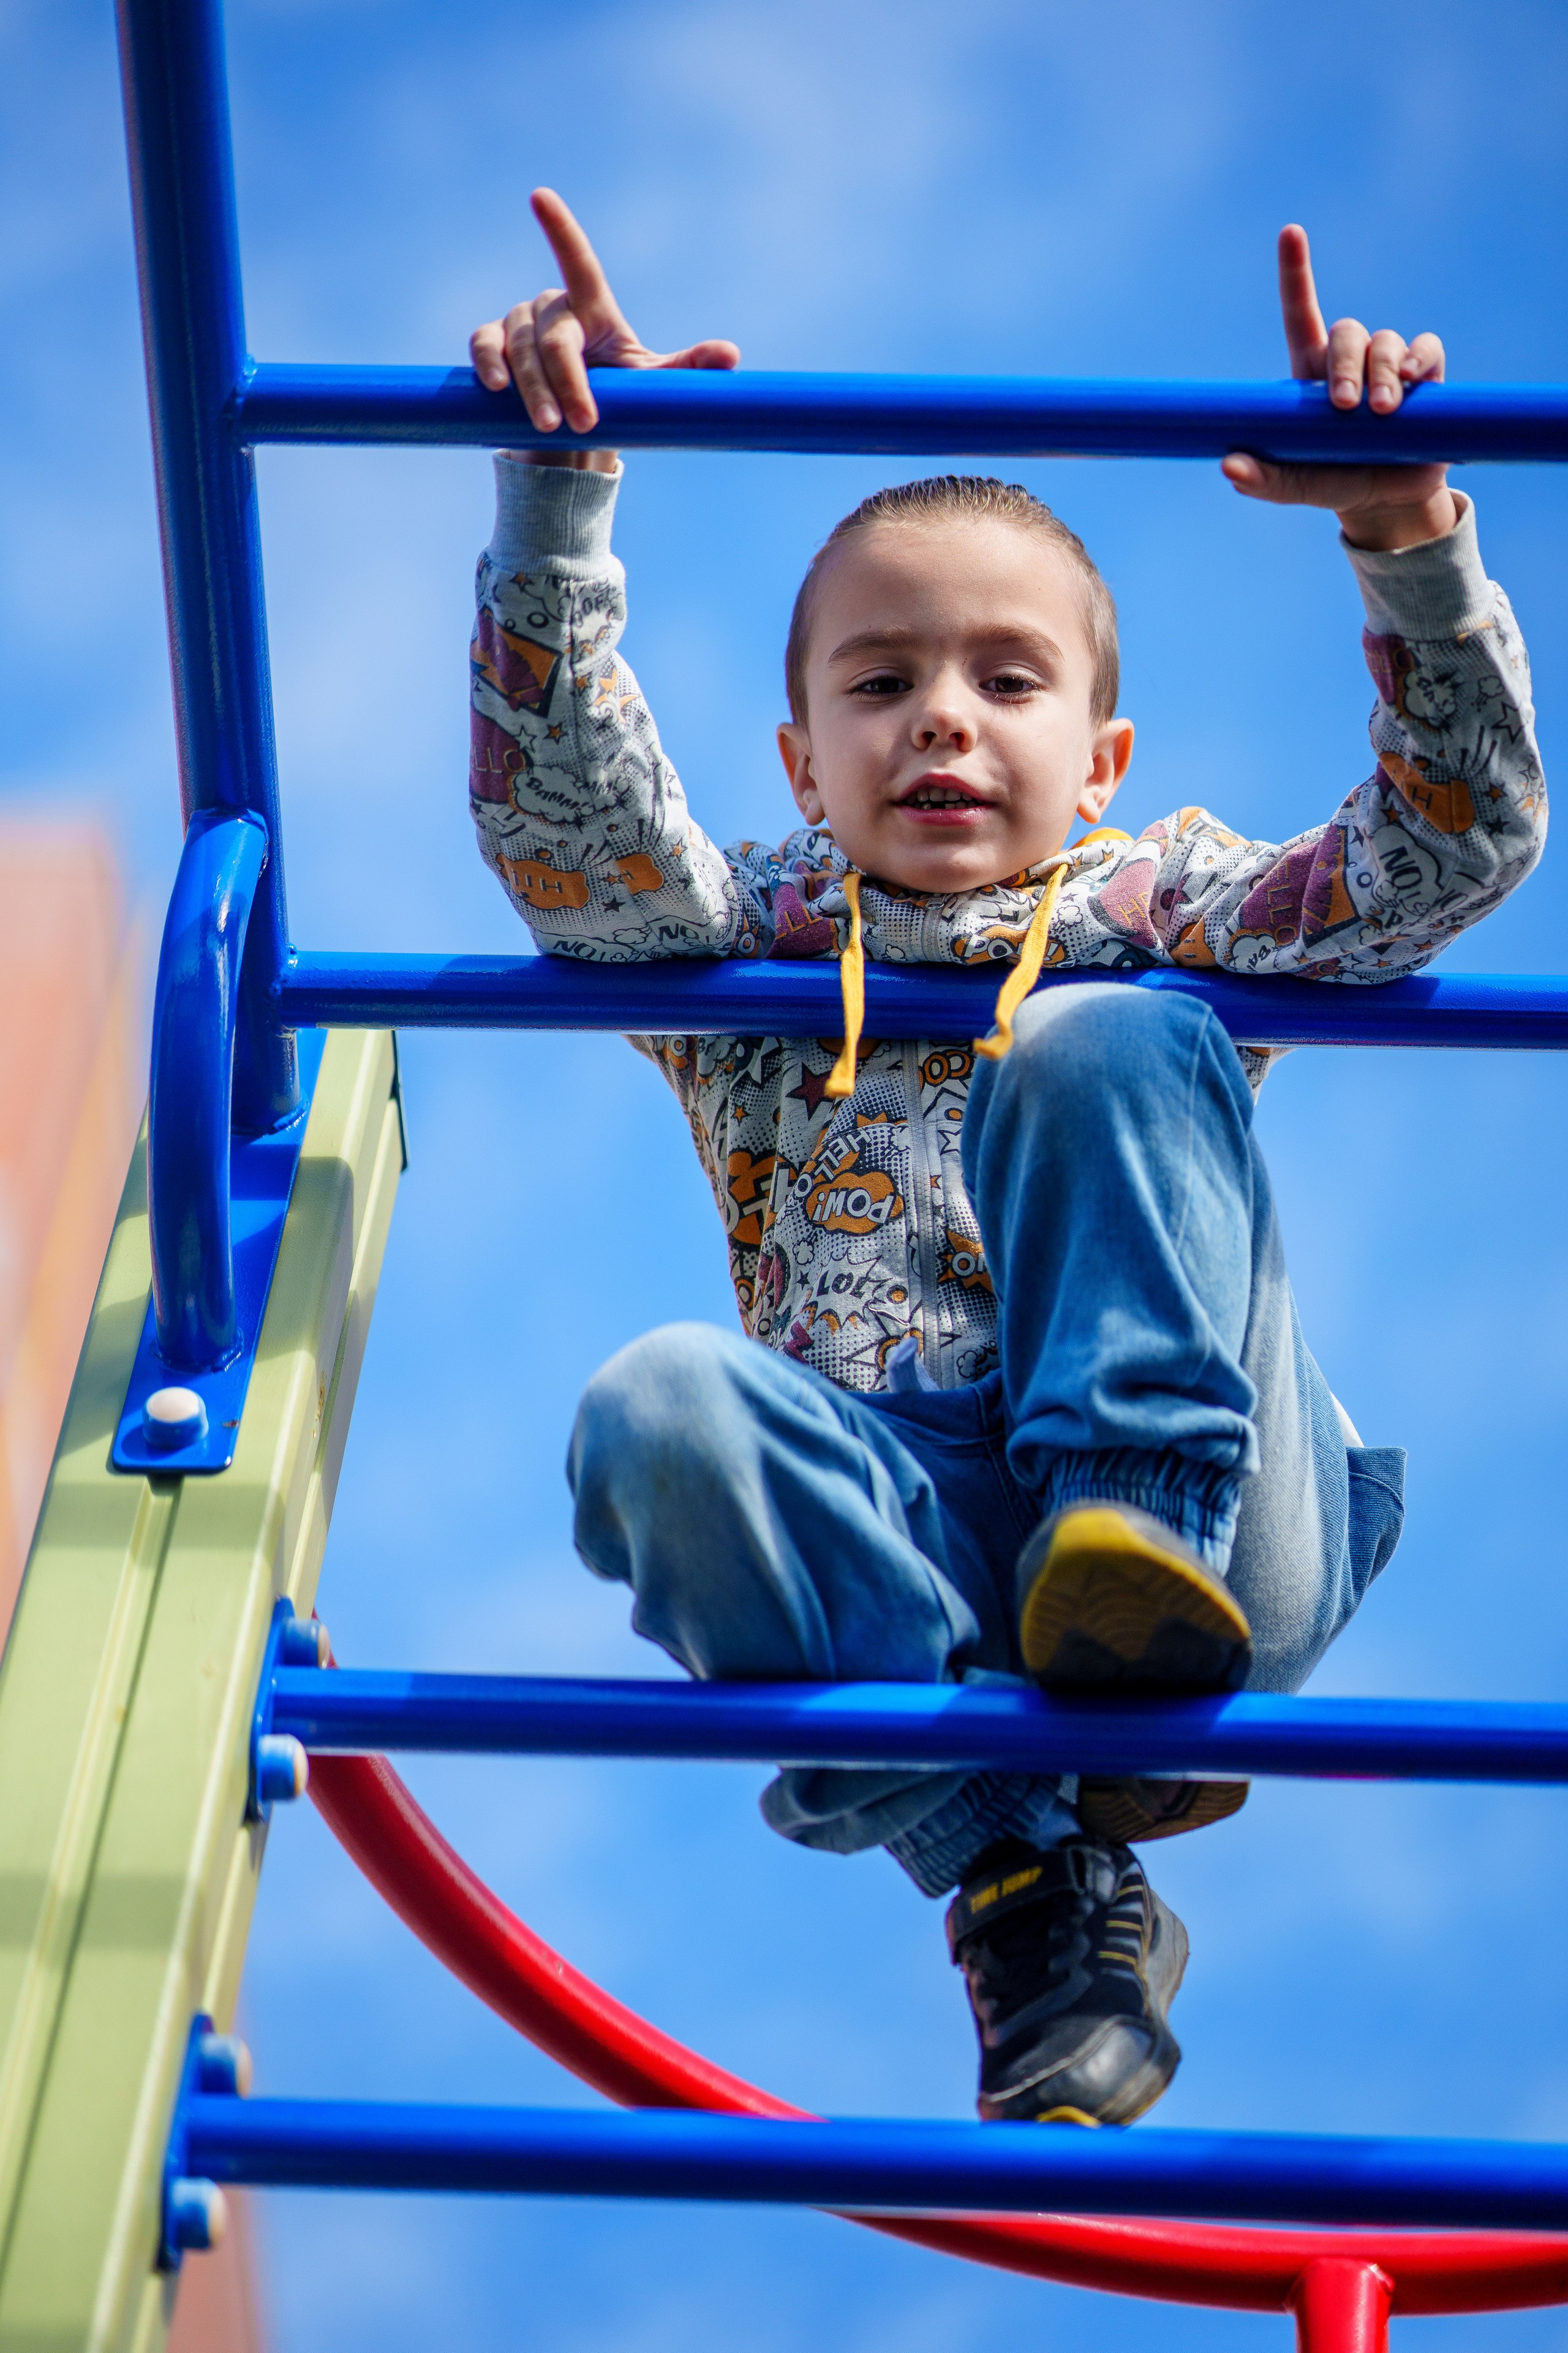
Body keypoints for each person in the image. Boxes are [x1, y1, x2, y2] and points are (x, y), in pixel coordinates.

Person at [466, 192, 1545, 2127]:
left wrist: (1404, 537)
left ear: (1103, 757)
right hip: (918, 1551)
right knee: (654, 1407)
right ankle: (1023, 1881)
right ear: (802, 761)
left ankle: (1128, 1538)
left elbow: (1441, 858)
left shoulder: (1157, 896)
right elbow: (574, 851)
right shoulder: (754, 945)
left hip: (1216, 1520)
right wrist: (559, 507)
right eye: (880, 683)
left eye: (1008, 680)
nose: (942, 720)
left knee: (1111, 1030)